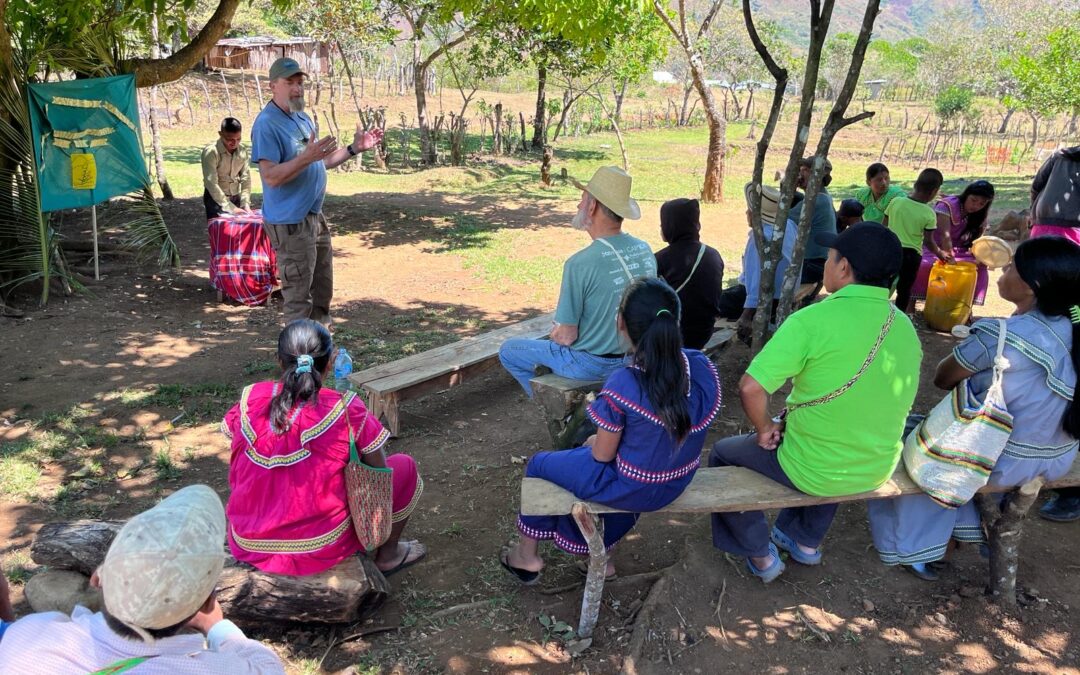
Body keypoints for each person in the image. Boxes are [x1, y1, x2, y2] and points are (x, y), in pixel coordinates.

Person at [709, 223, 921, 583]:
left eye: (830, 257)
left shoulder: (811, 320)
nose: (825, 263)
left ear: (843, 268)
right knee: (839, 430)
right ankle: (805, 541)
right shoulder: (904, 326)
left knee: (723, 453)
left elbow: (750, 388)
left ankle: (761, 556)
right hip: (875, 465)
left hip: (816, 468)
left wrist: (763, 430)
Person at [868, 237, 1078, 580]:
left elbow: (943, 377)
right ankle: (968, 534)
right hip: (1057, 456)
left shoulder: (1000, 334)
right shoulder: (1074, 330)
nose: (1002, 270)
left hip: (1004, 459)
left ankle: (922, 547)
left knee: (914, 451)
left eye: (1011, 268)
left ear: (1031, 286)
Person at [501, 277, 722, 582]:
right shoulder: (700, 367)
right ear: (675, 321)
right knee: (633, 470)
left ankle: (527, 557)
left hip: (633, 487)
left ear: (621, 324)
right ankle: (603, 560)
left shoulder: (625, 383)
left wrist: (592, 441)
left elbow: (603, 455)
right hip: (675, 481)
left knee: (540, 464)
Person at [0, 484, 285, 673]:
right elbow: (267, 666)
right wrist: (217, 627)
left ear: (98, 577)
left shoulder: (27, 634)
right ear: (206, 601)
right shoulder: (204, 670)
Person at [223, 319, 425, 577]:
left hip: (250, 542)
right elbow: (379, 472)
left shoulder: (250, 400)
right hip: (321, 546)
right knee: (404, 468)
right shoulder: (345, 408)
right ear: (330, 362)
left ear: (278, 360)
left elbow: (238, 451)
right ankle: (388, 555)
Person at [499, 166, 655, 396]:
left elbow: (566, 336)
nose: (578, 206)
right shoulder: (644, 250)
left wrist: (558, 333)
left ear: (592, 207)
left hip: (592, 365)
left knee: (509, 350)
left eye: (582, 199)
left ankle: (552, 405)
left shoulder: (580, 263)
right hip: (637, 356)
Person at [252, 57, 384, 326]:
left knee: (322, 290)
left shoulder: (301, 118)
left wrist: (353, 149)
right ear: (272, 86)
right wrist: (305, 158)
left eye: (300, 82)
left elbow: (319, 163)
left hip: (314, 217)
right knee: (299, 299)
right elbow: (271, 177)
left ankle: (322, 352)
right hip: (290, 223)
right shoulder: (267, 124)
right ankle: (300, 363)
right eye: (289, 83)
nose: (297, 89)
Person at [910, 180, 996, 309]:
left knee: (980, 266)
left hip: (961, 250)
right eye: (973, 200)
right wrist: (950, 258)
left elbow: (977, 241)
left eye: (982, 204)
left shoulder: (979, 215)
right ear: (966, 195)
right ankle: (911, 305)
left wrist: (981, 256)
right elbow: (945, 236)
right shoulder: (947, 206)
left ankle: (965, 307)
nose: (976, 206)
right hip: (934, 247)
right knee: (925, 264)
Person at [654, 198, 725, 350]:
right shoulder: (713, 255)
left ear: (669, 227)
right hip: (703, 333)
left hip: (672, 335)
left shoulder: (659, 260)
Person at [883, 168, 945, 313]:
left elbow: (883, 226)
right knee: (904, 290)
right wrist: (940, 253)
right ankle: (898, 318)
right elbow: (929, 241)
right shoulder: (929, 213)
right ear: (934, 191)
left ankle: (877, 311)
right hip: (911, 256)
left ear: (915, 185)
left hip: (891, 249)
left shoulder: (896, 202)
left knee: (884, 284)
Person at [787, 156, 837, 285]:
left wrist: (787, 190)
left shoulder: (814, 200)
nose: (800, 174)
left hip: (813, 264)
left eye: (805, 170)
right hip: (821, 262)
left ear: (818, 176)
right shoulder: (824, 196)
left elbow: (780, 220)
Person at [202, 117, 252, 220]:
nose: (235, 143)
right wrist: (230, 207)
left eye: (238, 139)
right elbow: (211, 183)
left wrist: (245, 203)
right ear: (221, 134)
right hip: (215, 199)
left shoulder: (242, 151)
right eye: (230, 139)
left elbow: (246, 178)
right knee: (220, 233)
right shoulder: (211, 152)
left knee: (238, 233)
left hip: (235, 197)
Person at [1030, 145, 1080, 244]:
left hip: (1042, 220)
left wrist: (1032, 212)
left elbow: (1036, 186)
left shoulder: (1059, 155)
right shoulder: (1059, 155)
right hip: (1074, 228)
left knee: (1039, 257)